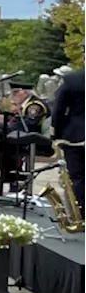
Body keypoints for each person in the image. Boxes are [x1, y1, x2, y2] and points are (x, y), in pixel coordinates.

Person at [51, 66, 86, 205]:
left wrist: (57, 135)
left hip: (75, 136)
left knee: (78, 178)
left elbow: (59, 109)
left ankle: (82, 215)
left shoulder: (71, 80)